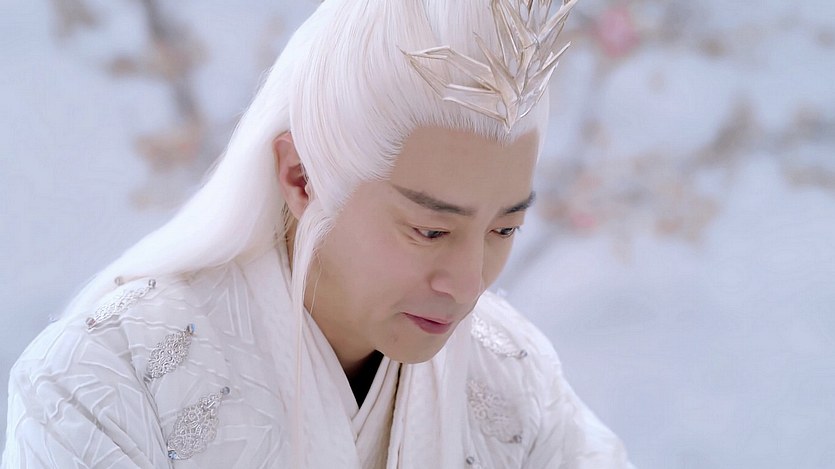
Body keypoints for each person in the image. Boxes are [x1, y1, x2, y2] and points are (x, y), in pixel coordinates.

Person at [3, 0, 635, 467]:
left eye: (504, 228)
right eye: (430, 230)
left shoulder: (514, 377)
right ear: (301, 177)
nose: (469, 284)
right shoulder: (104, 379)